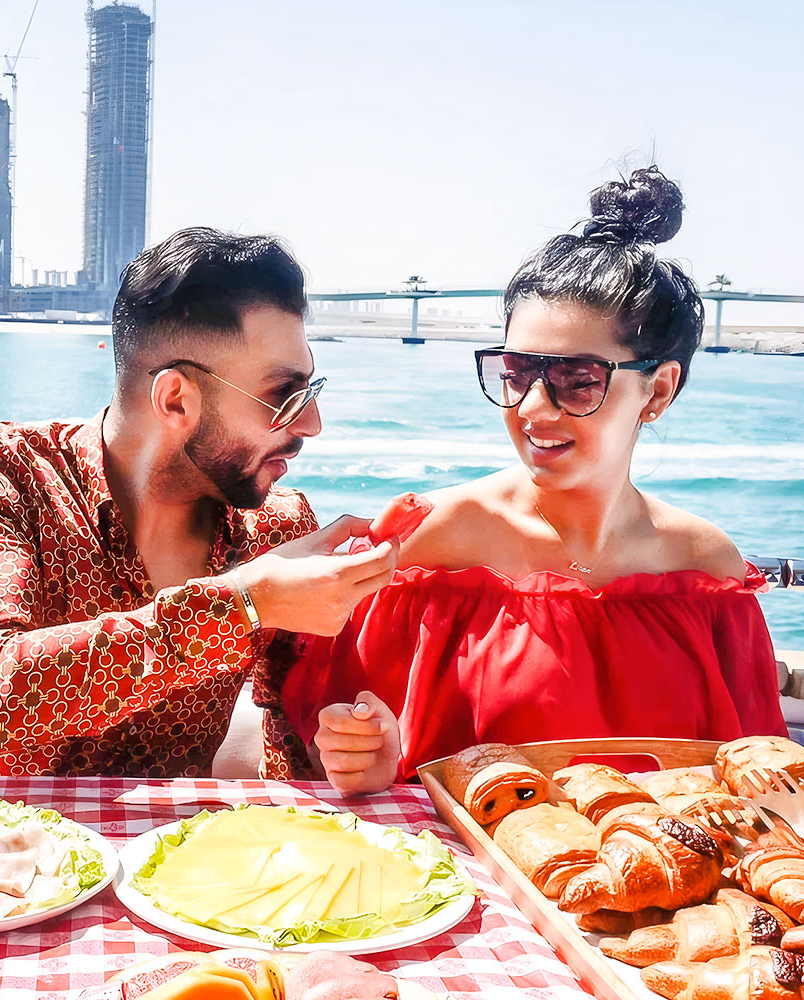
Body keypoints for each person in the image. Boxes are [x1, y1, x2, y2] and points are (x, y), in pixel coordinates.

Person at [273, 167, 787, 790]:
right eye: (517, 373)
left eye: (578, 379)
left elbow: (756, 785)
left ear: (658, 391)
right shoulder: (427, 546)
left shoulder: (707, 573)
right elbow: (349, 753)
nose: (533, 409)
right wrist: (366, 758)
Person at [0, 227, 402, 777]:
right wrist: (240, 604)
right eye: (282, 397)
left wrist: (349, 754)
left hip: (170, 858)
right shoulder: (5, 477)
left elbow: (296, 736)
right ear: (176, 400)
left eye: (310, 393)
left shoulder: (278, 529)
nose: (312, 425)